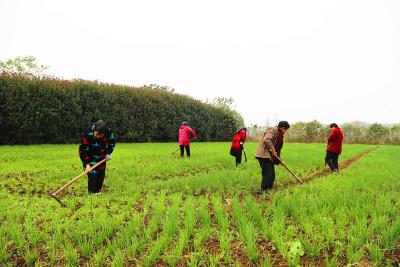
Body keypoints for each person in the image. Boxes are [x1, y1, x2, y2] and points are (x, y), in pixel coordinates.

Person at [79, 120, 116, 194]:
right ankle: (91, 195)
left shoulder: (108, 132)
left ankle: (97, 193)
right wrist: (87, 164)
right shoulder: (87, 133)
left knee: (101, 175)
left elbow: (112, 141)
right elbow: (83, 150)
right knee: (92, 176)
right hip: (89, 157)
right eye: (95, 134)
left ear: (103, 133)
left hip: (101, 157)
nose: (96, 136)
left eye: (99, 135)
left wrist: (108, 152)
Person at [255, 121, 290, 194]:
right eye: (286, 130)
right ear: (283, 128)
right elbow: (266, 140)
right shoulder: (273, 130)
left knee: (272, 176)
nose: (285, 132)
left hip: (269, 156)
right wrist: (272, 149)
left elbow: (277, 150)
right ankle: (263, 192)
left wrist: (281, 160)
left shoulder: (279, 135)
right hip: (263, 155)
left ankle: (268, 191)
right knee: (267, 175)